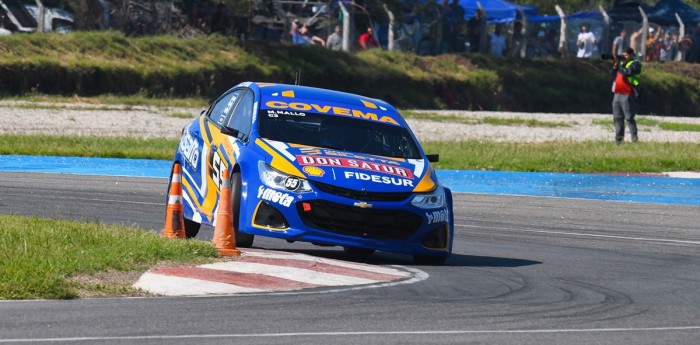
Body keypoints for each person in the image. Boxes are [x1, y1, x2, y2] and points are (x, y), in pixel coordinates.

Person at [610, 48, 642, 144]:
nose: (624, 57)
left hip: (628, 93)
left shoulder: (636, 64)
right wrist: (615, 66)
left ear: (632, 55)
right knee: (617, 117)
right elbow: (612, 74)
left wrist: (619, 64)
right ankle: (619, 140)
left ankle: (634, 139)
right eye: (623, 55)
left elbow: (626, 72)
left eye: (626, 55)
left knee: (629, 118)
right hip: (617, 94)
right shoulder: (621, 64)